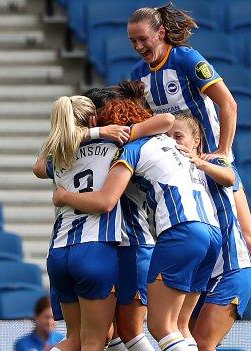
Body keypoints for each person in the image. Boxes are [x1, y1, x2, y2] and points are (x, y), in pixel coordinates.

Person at [126, 3, 251, 348]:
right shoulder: (139, 75)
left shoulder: (187, 59)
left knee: (245, 237)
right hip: (179, 171)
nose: (138, 47)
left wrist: (222, 152)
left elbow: (228, 104)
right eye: (132, 41)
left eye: (143, 39)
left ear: (160, 33)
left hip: (208, 165)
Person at [52, 87, 221, 351]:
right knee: (143, 330)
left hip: (137, 242)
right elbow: (166, 120)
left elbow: (102, 199)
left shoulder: (123, 149)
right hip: (208, 229)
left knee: (148, 328)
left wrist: (63, 196)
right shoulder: (169, 143)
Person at [32, 94, 175, 351]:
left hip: (58, 253)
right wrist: (104, 131)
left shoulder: (61, 155)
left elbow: (38, 167)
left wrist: (86, 133)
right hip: (94, 250)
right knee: (94, 343)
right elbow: (165, 121)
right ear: (94, 119)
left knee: (73, 341)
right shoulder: (115, 146)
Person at [169, 113, 251, 351]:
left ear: (196, 140)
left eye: (178, 136)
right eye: (167, 137)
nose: (173, 143)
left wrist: (199, 162)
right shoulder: (171, 172)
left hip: (231, 268)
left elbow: (229, 177)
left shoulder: (214, 161)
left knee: (203, 343)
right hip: (200, 275)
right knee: (184, 341)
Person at [84, 83, 157, 351]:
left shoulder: (127, 146)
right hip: (109, 245)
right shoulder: (102, 145)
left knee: (130, 332)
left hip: (133, 244)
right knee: (109, 332)